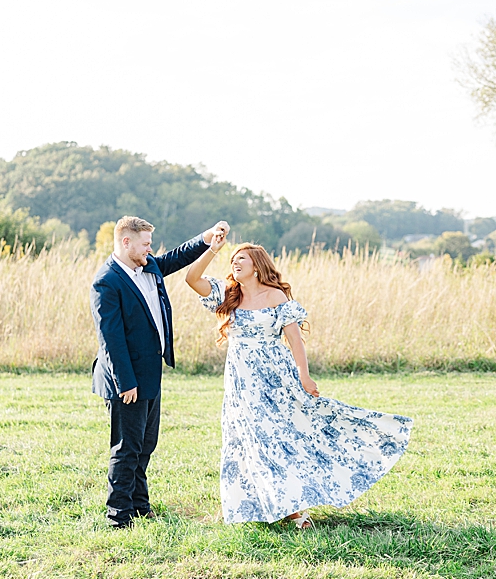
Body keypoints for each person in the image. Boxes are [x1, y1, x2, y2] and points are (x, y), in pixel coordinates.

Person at [185, 238, 413, 529]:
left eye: (242, 259)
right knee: (252, 438)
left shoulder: (277, 296)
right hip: (241, 382)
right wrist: (214, 248)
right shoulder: (227, 293)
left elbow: (294, 340)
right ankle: (267, 503)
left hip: (277, 377)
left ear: (257, 267)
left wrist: (304, 375)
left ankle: (295, 509)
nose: (236, 263)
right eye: (233, 260)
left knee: (284, 436)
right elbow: (192, 278)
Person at [90, 216, 230, 529]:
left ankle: (140, 506)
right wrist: (126, 382)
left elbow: (177, 257)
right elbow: (110, 340)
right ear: (126, 242)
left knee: (145, 445)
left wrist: (207, 237)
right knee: (126, 449)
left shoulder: (148, 265)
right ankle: (118, 517)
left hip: (151, 372)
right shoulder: (106, 282)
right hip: (126, 379)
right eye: (145, 243)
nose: (150, 249)